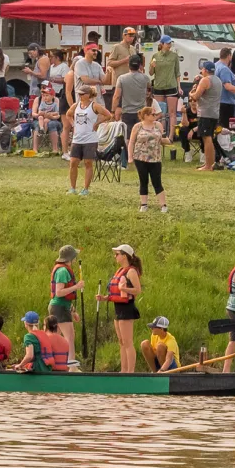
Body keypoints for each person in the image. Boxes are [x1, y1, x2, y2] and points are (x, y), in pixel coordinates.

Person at [96, 244, 142, 373]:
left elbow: (137, 290)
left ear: (125, 256)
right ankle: (123, 370)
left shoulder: (131, 271)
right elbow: (115, 293)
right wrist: (104, 298)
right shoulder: (120, 271)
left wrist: (124, 289)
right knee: (121, 342)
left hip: (127, 308)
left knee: (128, 342)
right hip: (118, 308)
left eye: (117, 254)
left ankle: (130, 372)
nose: (115, 256)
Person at [67, 85, 113, 196]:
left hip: (90, 139)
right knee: (73, 163)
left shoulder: (95, 106)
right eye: (79, 94)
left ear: (88, 95)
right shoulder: (76, 105)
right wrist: (73, 125)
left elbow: (108, 115)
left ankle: (85, 189)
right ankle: (72, 188)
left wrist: (97, 123)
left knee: (88, 163)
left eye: (82, 94)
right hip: (77, 139)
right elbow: (69, 115)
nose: (80, 95)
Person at [128, 105, 171, 213]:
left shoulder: (158, 125)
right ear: (146, 116)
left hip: (155, 157)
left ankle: (163, 205)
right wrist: (130, 156)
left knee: (157, 181)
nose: (155, 116)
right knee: (144, 180)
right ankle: (144, 204)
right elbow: (132, 142)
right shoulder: (137, 126)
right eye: (153, 114)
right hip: (140, 157)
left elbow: (161, 139)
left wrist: (168, 140)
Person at [49, 244, 84, 363]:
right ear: (70, 258)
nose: (75, 258)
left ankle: (57, 363)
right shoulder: (63, 271)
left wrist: (73, 311)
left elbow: (65, 297)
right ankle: (71, 366)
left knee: (56, 337)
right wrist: (77, 286)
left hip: (61, 306)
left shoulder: (62, 269)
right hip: (59, 307)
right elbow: (59, 293)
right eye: (74, 256)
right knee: (69, 337)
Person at [189, 60, 221, 172]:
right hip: (214, 113)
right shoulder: (218, 80)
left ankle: (208, 165)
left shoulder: (205, 80)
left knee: (206, 138)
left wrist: (191, 93)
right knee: (209, 138)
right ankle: (210, 164)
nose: (201, 71)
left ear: (205, 70)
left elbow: (196, 97)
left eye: (202, 69)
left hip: (206, 113)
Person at [114, 52, 149, 141]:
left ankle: (128, 155)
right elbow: (149, 90)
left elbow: (117, 96)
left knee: (129, 138)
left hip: (127, 112)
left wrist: (113, 110)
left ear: (128, 64)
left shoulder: (121, 78)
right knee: (141, 137)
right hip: (141, 112)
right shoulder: (145, 78)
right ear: (140, 65)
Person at [213, 48, 235, 129]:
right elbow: (228, 86)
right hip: (226, 103)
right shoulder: (224, 69)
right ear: (229, 56)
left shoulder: (215, 66)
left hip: (216, 101)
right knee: (225, 128)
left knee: (217, 127)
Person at [33, 82, 63, 154]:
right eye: (41, 88)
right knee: (38, 125)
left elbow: (58, 114)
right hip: (40, 119)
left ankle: (55, 149)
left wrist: (51, 116)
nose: (42, 90)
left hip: (53, 119)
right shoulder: (38, 99)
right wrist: (42, 115)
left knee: (51, 124)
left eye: (44, 87)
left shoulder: (56, 100)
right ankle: (35, 149)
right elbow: (34, 113)